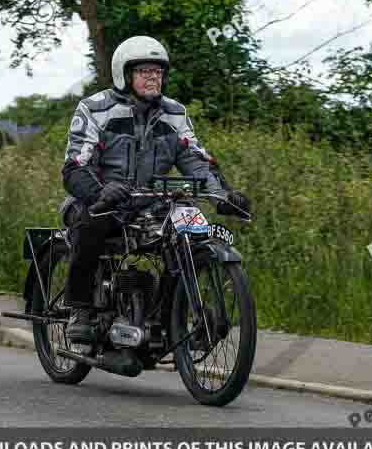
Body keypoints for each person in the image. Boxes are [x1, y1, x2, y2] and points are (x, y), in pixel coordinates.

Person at [60, 35, 251, 343]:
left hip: (151, 204)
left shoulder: (174, 113)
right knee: (91, 221)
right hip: (99, 201)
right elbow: (75, 166)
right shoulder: (95, 109)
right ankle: (80, 309)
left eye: (158, 72)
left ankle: (169, 316)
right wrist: (100, 193)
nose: (153, 77)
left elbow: (196, 160)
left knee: (191, 229)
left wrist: (223, 196)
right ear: (125, 74)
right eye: (144, 71)